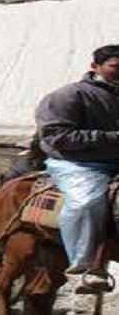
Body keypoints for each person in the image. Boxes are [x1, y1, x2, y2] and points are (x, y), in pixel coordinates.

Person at [36, 44, 119, 293]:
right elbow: (55, 137)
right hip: (80, 164)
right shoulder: (69, 96)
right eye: (116, 67)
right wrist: (109, 138)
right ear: (95, 67)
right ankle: (86, 265)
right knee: (87, 202)